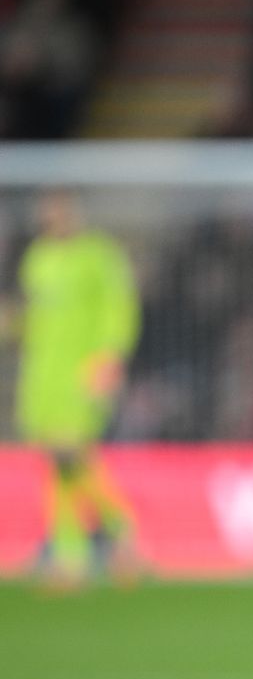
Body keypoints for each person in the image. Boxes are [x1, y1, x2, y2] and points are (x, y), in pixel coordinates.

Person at [13, 190, 140, 584]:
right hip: (42, 375)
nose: (54, 217)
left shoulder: (98, 255)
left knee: (70, 454)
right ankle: (112, 538)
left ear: (75, 213)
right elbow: (34, 317)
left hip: (81, 370)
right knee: (59, 462)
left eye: (60, 209)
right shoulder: (37, 258)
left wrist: (111, 357)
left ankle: (78, 552)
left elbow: (119, 307)